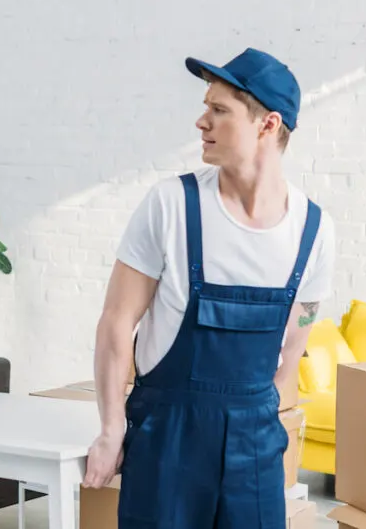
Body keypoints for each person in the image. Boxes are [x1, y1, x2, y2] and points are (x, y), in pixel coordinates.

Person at [83, 48, 336, 528]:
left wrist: (264, 433)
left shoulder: (314, 231)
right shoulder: (170, 206)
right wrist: (112, 429)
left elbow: (290, 357)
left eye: (219, 111)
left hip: (256, 448)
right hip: (168, 439)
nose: (202, 122)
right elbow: (116, 323)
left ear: (267, 124)